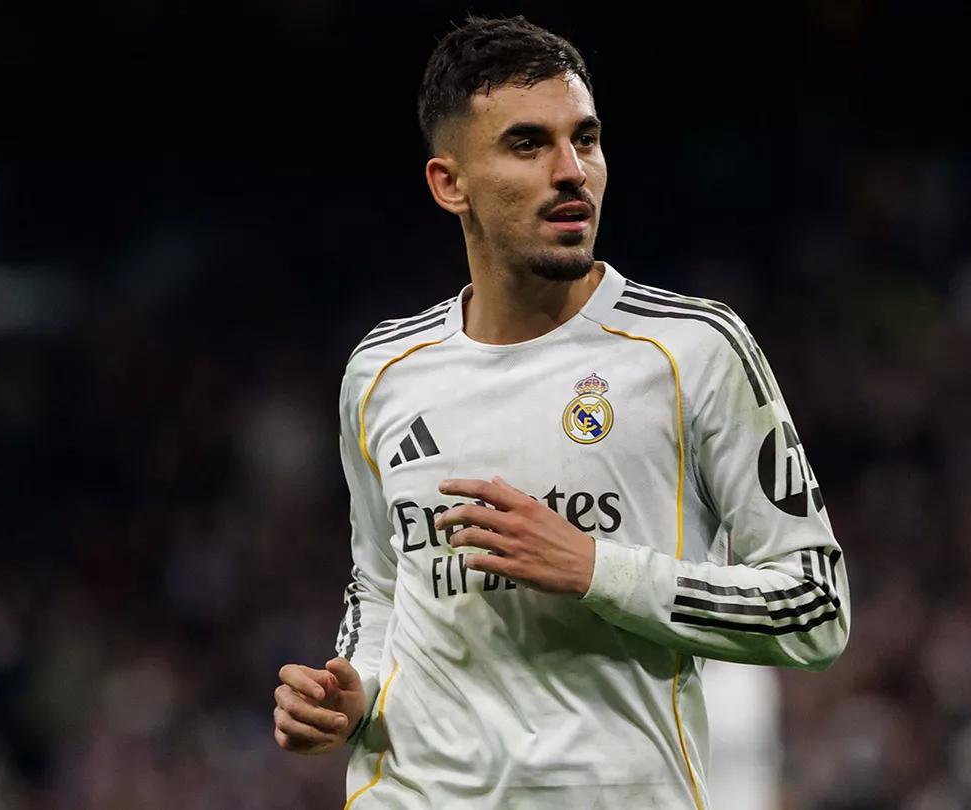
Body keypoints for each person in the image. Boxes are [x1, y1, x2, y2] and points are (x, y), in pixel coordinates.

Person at [273, 15, 850, 809]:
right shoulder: (382, 371)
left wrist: (596, 570)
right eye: (528, 145)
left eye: (586, 139)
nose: (572, 171)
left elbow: (815, 608)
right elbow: (378, 589)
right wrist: (354, 691)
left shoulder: (692, 350)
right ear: (449, 184)